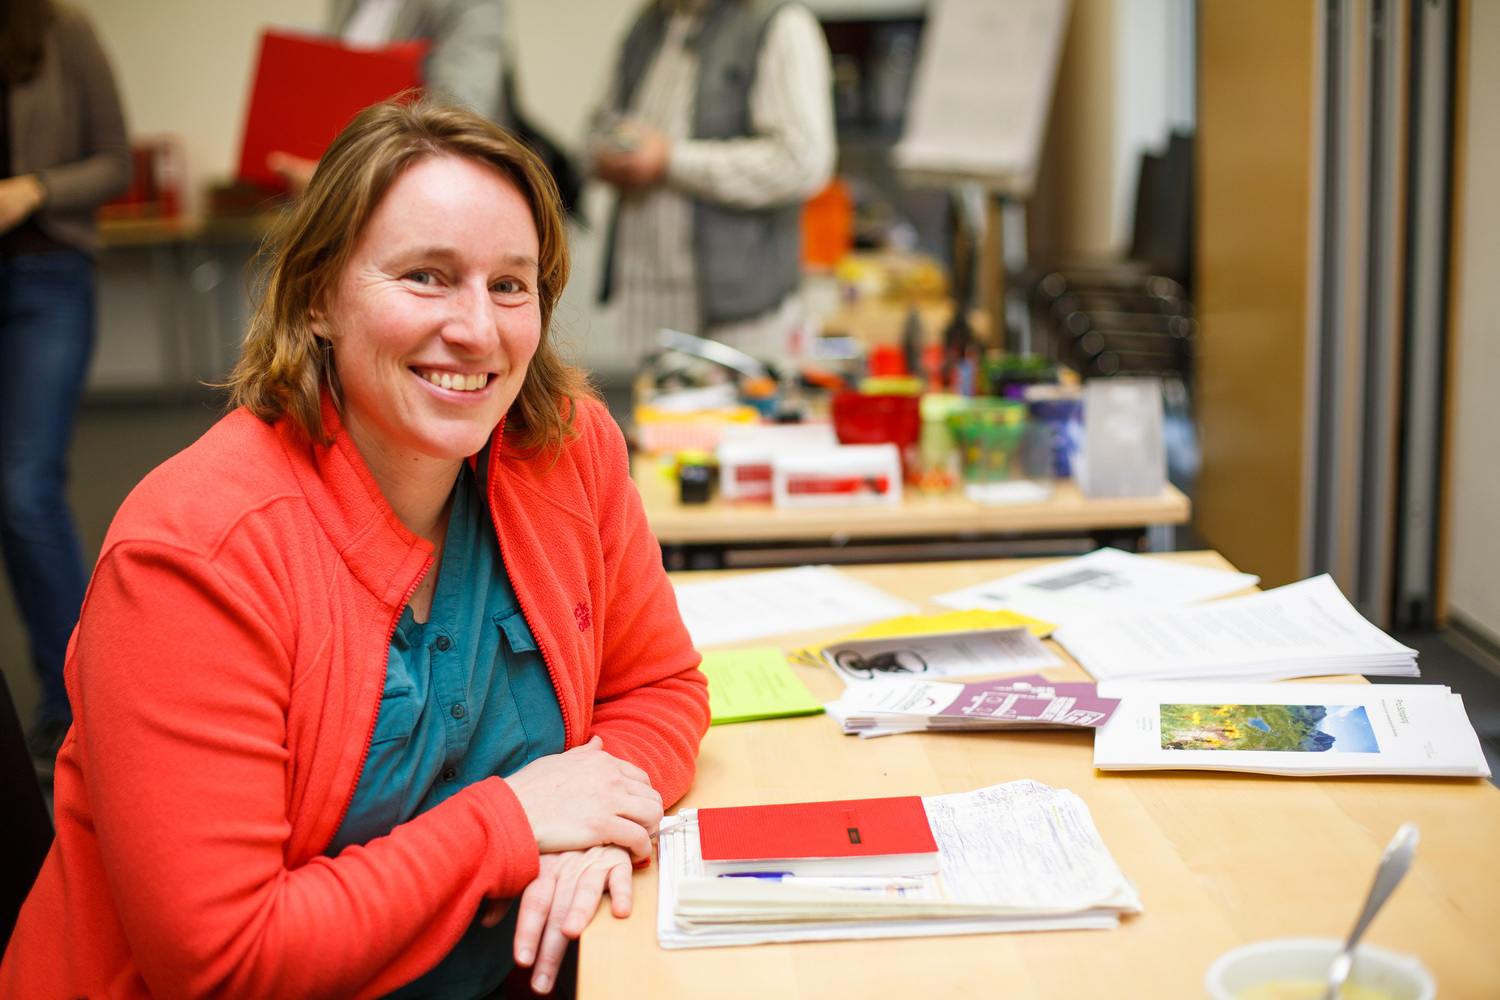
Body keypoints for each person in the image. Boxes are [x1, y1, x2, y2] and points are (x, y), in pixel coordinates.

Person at [0, 98, 709, 999]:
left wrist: (601, 822)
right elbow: (224, 961)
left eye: (510, 285)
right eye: (425, 276)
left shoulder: (567, 450)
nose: (477, 329)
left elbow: (658, 686)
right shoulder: (194, 555)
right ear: (317, 297)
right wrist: (511, 823)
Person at [0, 0, 130, 778]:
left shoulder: (62, 29)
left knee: (24, 489)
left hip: (45, 279)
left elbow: (116, 163)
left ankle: (77, 704)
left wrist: (33, 189)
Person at [591, 0, 835, 361]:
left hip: (740, 314)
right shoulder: (651, 22)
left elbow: (802, 161)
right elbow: (598, 126)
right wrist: (603, 155)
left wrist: (671, 160)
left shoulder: (780, 24)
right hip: (644, 302)